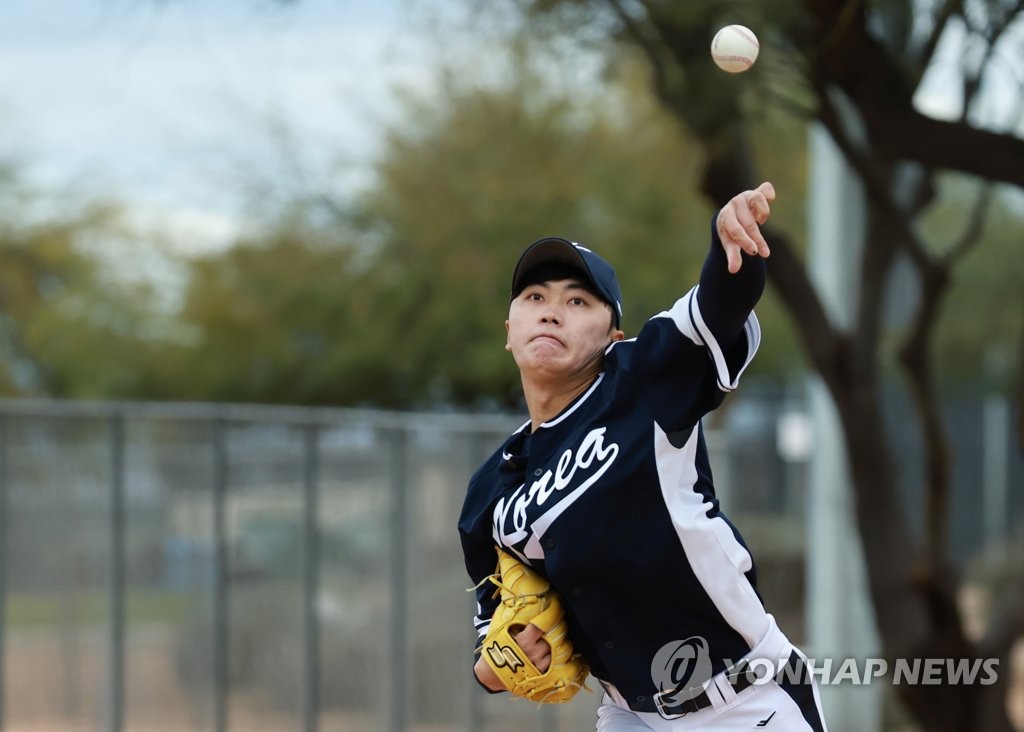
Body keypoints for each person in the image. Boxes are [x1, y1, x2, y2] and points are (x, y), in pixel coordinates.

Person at [457, 182, 828, 731]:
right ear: (509, 331)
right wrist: (500, 663)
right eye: (534, 298)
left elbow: (718, 307)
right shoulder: (491, 494)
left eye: (578, 301)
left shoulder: (641, 382)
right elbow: (490, 641)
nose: (552, 312)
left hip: (746, 702)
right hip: (632, 716)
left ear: (614, 333)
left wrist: (730, 245)